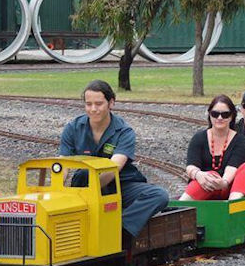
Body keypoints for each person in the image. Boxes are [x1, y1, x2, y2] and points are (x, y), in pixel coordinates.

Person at [59, 79, 169, 248]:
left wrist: (92, 193)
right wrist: (58, 190)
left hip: (119, 183)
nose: (93, 109)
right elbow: (63, 163)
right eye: (88, 104)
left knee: (159, 195)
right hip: (84, 183)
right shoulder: (73, 128)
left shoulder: (124, 131)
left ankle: (119, 230)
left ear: (111, 103)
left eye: (98, 103)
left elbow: (114, 167)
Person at [180, 95, 245, 201]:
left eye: (225, 114)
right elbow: (191, 166)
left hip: (229, 188)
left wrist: (223, 182)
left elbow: (232, 167)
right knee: (210, 175)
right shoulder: (199, 138)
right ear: (210, 115)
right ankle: (180, 206)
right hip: (205, 186)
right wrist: (199, 175)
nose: (220, 118)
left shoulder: (240, 140)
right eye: (215, 114)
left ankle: (232, 206)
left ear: (231, 116)